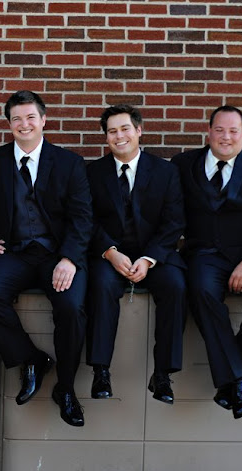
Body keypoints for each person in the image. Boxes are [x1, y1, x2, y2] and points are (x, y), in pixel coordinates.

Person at [0, 90, 92, 427]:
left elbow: (82, 219)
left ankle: (66, 388)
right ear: (9, 124)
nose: (24, 124)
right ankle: (31, 358)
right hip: (14, 252)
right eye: (17, 119)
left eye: (31, 117)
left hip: (57, 254)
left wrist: (70, 259)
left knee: (71, 307)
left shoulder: (69, 163)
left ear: (43, 120)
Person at [171, 105, 242, 419]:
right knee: (201, 292)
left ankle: (234, 380)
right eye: (220, 130)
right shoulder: (184, 164)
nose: (226, 137)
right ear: (208, 132)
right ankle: (239, 382)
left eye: (233, 131)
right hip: (205, 254)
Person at [86, 104, 187, 404]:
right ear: (106, 137)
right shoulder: (92, 173)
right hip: (110, 255)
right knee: (101, 285)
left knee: (176, 286)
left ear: (139, 131)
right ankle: (101, 370)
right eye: (112, 131)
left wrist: (148, 258)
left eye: (125, 129)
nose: (119, 136)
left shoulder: (166, 172)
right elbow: (86, 219)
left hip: (153, 255)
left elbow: (174, 221)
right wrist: (110, 252)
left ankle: (163, 374)